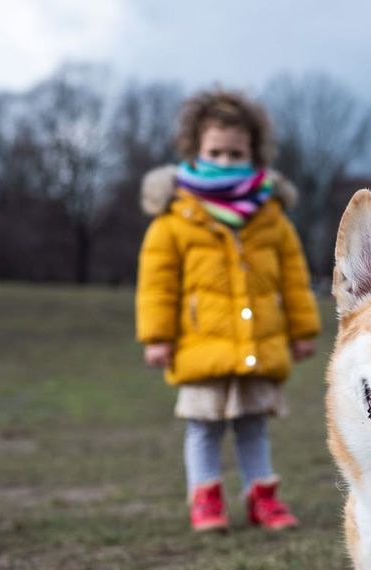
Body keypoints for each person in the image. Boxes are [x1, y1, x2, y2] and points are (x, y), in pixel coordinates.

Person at [136, 89, 320, 533]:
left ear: (254, 154)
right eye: (214, 151)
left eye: (235, 152)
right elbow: (157, 282)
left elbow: (293, 278)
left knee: (254, 425)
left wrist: (302, 328)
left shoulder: (272, 216)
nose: (224, 159)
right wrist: (157, 336)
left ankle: (262, 498)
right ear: (195, 150)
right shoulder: (175, 217)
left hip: (259, 340)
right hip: (201, 344)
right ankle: (206, 498)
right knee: (203, 427)